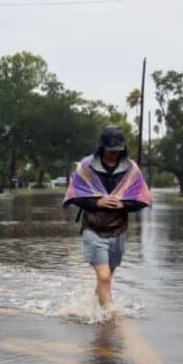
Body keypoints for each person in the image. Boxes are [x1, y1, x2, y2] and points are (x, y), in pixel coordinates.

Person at [63, 126, 152, 308]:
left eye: (117, 150)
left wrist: (124, 205)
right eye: (110, 150)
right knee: (104, 277)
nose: (114, 154)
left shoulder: (131, 169)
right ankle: (112, 320)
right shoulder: (86, 167)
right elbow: (75, 196)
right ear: (102, 147)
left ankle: (91, 311)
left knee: (106, 279)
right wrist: (97, 203)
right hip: (93, 229)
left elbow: (143, 199)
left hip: (118, 231)